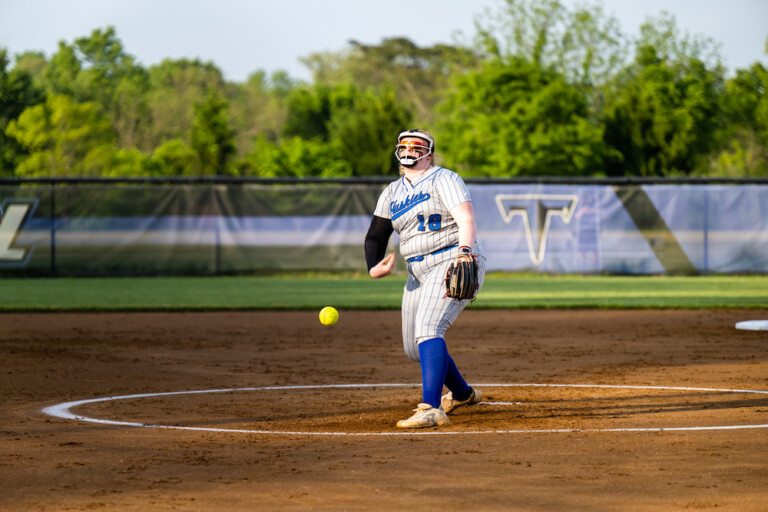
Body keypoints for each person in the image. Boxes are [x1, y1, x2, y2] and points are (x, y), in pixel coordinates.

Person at [364, 129, 486, 428]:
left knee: (429, 329)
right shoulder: (392, 191)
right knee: (414, 347)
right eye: (405, 145)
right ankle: (462, 394)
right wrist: (373, 266)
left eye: (418, 146)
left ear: (429, 154)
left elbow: (466, 219)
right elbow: (376, 236)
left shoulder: (444, 178)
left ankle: (432, 408)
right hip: (416, 270)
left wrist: (465, 251)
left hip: (450, 258)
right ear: (397, 151)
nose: (410, 150)